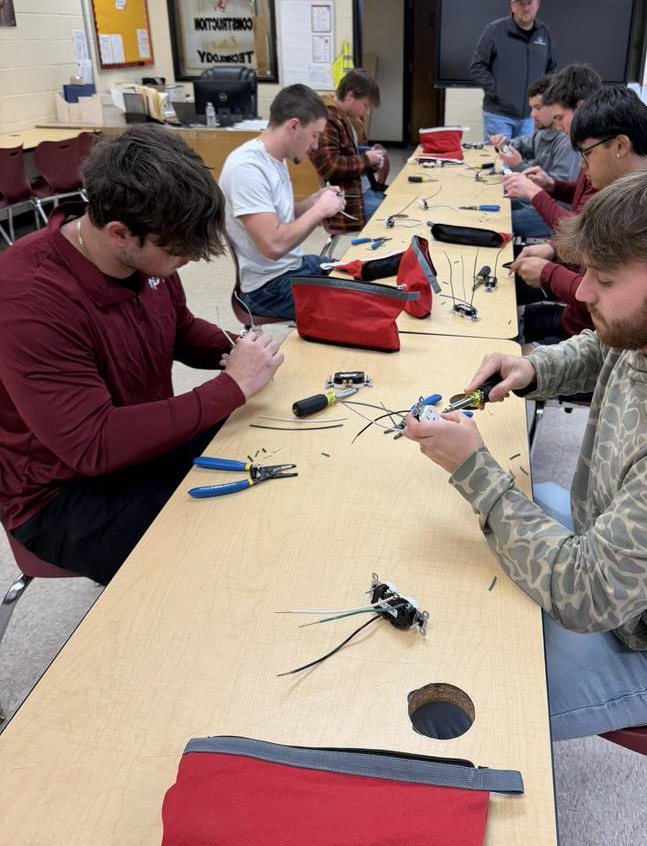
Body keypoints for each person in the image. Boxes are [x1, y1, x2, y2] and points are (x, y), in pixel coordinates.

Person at [405, 161, 647, 741]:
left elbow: (587, 596)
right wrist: (532, 367)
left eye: (603, 278)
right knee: (458, 559)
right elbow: (607, 346)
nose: (583, 290)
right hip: (607, 548)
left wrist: (474, 469)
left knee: (461, 710)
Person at [0, 125, 285, 586]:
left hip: (139, 447)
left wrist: (237, 350)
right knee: (220, 563)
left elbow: (178, 327)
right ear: (119, 233)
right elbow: (94, 444)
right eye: (177, 253)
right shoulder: (27, 297)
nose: (188, 262)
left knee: (266, 446)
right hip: (61, 495)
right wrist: (231, 386)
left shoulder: (143, 252)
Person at [220, 83, 346, 321]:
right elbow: (273, 246)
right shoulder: (247, 169)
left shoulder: (276, 159)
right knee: (355, 305)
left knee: (357, 274)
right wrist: (319, 211)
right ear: (294, 126)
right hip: (266, 289)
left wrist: (311, 202)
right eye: (315, 136)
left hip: (293, 267)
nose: (315, 146)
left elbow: (278, 219)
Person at [500, 64, 602, 345]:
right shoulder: (593, 153)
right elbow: (580, 213)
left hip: (583, 331)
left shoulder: (613, 185)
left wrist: (535, 192)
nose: (558, 126)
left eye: (560, 117)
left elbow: (575, 230)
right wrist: (553, 186)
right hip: (574, 313)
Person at [489, 75, 581, 238]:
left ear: (553, 107)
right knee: (495, 202)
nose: (532, 114)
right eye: (531, 108)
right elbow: (519, 145)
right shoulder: (543, 133)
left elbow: (560, 200)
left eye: (538, 108)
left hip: (556, 214)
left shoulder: (567, 141)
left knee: (496, 222)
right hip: (537, 203)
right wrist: (502, 144)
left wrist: (518, 164)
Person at [469, 0, 557, 143]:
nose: (525, 7)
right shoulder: (494, 31)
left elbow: (551, 67)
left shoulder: (544, 33)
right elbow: (477, 66)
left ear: (537, 4)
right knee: (498, 163)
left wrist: (543, 97)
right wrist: (497, 92)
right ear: (512, 6)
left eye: (529, 2)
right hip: (499, 116)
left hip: (531, 117)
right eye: (520, 3)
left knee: (523, 164)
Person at [310, 68, 386, 232]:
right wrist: (367, 159)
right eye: (365, 105)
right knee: (399, 217)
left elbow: (354, 158)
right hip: (348, 204)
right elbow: (329, 166)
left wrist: (371, 162)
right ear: (350, 95)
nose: (367, 111)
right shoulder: (327, 118)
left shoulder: (351, 119)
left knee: (404, 204)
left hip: (363, 192)